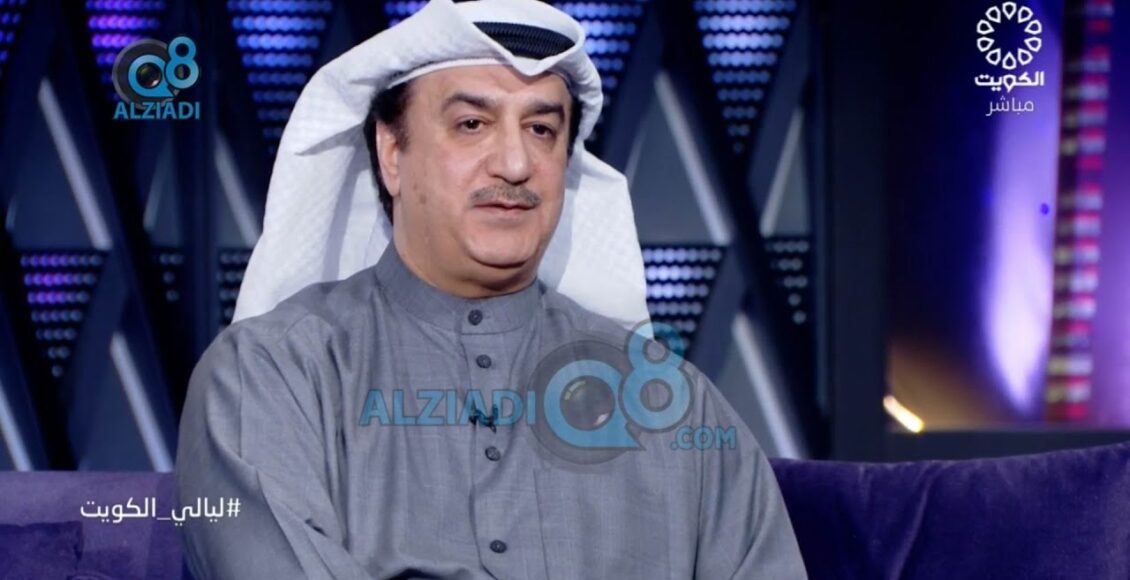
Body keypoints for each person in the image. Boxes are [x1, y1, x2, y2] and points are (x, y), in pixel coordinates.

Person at [175, 0, 807, 578]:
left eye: (542, 130)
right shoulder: (269, 376)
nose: (515, 163)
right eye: (472, 123)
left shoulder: (677, 409)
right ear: (392, 153)